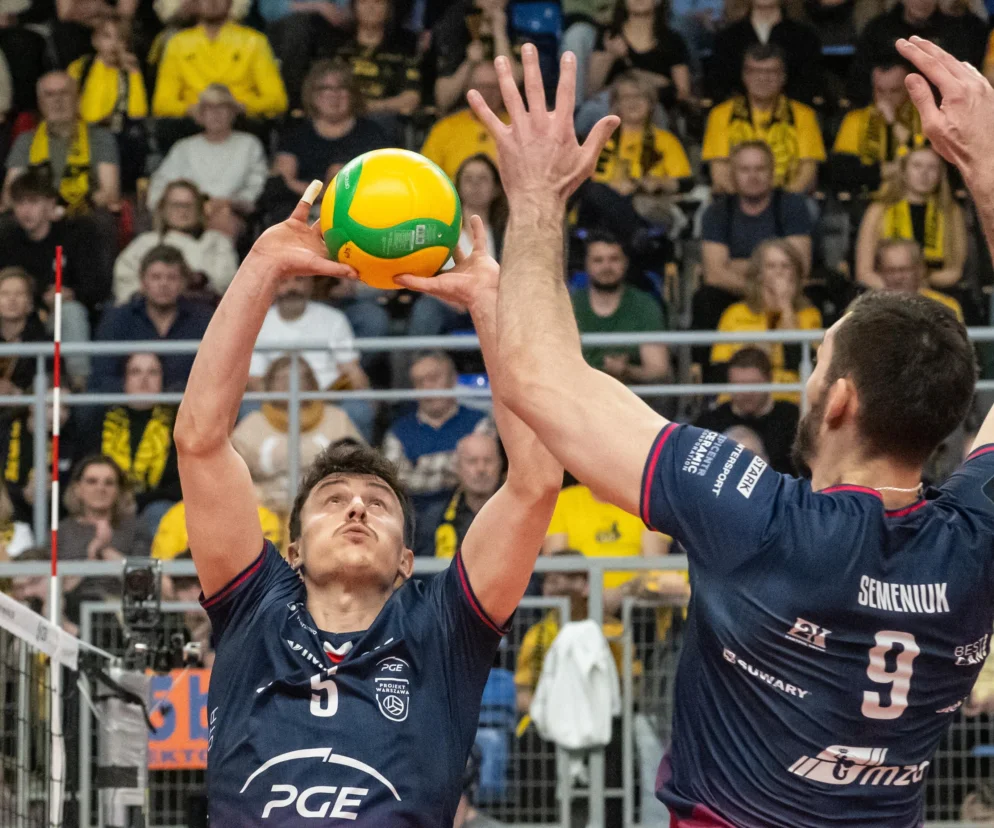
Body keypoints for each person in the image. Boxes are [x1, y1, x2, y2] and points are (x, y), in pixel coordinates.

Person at [396, 39, 994, 825]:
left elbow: (540, 380)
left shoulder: (761, 521)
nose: (807, 380)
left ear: (840, 401)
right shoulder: (975, 534)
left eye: (817, 362)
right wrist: (987, 168)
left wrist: (536, 196)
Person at [172, 176, 563, 826]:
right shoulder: (254, 608)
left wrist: (489, 302)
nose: (356, 508)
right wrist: (262, 266)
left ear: (407, 560)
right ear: (292, 550)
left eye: (378, 504)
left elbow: (535, 480)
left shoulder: (442, 628)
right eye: (332, 500)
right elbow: (199, 441)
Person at [693, 140, 813, 333]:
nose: (753, 176)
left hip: (786, 292)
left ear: (772, 172)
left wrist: (736, 265)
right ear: (733, 174)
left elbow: (799, 267)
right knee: (706, 299)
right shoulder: (717, 212)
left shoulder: (792, 206)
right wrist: (764, 285)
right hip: (736, 292)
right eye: (745, 170)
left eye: (760, 169)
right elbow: (714, 275)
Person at [232, 357, 365, 517]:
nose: (292, 382)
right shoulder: (252, 423)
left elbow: (361, 468)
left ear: (313, 382)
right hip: (265, 511)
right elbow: (232, 475)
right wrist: (256, 495)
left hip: (327, 510)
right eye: (282, 378)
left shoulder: (337, 419)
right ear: (269, 384)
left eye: (301, 376)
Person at [248, 274, 372, 439]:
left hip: (328, 399)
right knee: (247, 410)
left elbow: (352, 371)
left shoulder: (334, 319)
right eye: (284, 281)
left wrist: (318, 402)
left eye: (299, 279)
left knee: (359, 410)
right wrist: (285, 403)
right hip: (277, 400)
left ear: (311, 284)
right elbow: (255, 380)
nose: (292, 288)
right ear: (273, 286)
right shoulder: (258, 323)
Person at [269, 59, 392, 220]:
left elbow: (382, 181)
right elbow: (283, 179)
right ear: (312, 94)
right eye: (325, 88)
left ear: (353, 94)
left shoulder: (373, 134)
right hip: (300, 210)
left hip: (357, 213)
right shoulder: (295, 133)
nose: (334, 95)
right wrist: (318, 195)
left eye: (342, 88)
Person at [382, 350, 492, 529]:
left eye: (433, 378)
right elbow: (394, 482)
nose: (427, 387)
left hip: (469, 517)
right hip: (415, 523)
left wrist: (419, 465)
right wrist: (456, 465)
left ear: (453, 379)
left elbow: (483, 473)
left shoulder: (480, 422)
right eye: (420, 382)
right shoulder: (397, 432)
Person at [577, 73, 693, 243]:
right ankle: (637, 234)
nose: (633, 102)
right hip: (597, 217)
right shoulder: (598, 140)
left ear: (651, 103)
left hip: (642, 207)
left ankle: (637, 235)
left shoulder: (666, 141)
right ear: (615, 103)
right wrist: (613, 188)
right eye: (626, 97)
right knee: (595, 191)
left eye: (640, 96)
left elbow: (685, 183)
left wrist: (655, 183)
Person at [701, 43, 826, 194]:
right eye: (755, 71)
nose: (762, 78)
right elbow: (719, 173)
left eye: (771, 72)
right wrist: (747, 203)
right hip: (736, 200)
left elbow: (808, 172)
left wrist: (780, 202)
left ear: (783, 77)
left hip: (790, 200)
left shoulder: (804, 115)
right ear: (744, 76)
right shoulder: (720, 114)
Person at [91, 245, 214, 392]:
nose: (163, 284)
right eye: (156, 277)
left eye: (172, 277)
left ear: (183, 283)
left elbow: (214, 375)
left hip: (188, 403)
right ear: (143, 282)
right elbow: (101, 376)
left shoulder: (204, 320)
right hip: (127, 404)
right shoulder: (117, 319)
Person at [146, 84, 269, 227]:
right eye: (209, 108)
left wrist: (231, 204)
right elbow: (161, 184)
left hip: (231, 213)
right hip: (188, 212)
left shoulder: (249, 144)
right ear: (201, 115)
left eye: (222, 107)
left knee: (223, 220)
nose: (216, 114)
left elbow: (256, 186)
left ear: (232, 113)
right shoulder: (184, 147)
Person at [709, 238, 822, 394]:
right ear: (759, 274)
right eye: (771, 266)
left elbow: (805, 367)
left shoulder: (808, 314)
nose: (779, 272)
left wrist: (785, 306)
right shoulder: (735, 313)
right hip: (742, 395)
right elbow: (719, 370)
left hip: (789, 396)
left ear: (795, 274)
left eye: (785, 266)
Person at [2, 70, 121, 216]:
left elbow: (110, 194)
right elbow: (9, 197)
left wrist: (66, 211)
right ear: (40, 103)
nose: (57, 101)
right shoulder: (26, 141)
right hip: (38, 219)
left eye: (64, 93)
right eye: (49, 95)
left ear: (77, 99)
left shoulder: (100, 137)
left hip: (85, 216)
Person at [151, 0, 289, 125]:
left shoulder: (254, 41)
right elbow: (161, 104)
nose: (213, 2)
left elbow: (277, 100)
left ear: (230, 3)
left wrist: (240, 107)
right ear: (195, 3)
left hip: (243, 123)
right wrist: (193, 110)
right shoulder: (178, 43)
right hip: (191, 124)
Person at [855, 142, 966, 294]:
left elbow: (955, 270)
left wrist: (922, 287)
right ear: (903, 170)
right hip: (885, 292)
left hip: (936, 292)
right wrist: (900, 292)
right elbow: (864, 272)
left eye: (932, 167)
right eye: (917, 166)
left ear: (941, 174)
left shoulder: (951, 212)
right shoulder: (879, 209)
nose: (924, 174)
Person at [88, 353, 182, 529]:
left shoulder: (178, 421)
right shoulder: (101, 420)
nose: (144, 379)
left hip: (156, 507)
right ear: (124, 380)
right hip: (107, 502)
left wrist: (139, 501)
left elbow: (180, 484)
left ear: (162, 380)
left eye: (152, 372)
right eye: (136, 372)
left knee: (158, 512)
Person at [114, 179, 240, 304]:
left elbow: (228, 284)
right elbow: (125, 283)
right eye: (176, 205)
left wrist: (201, 280)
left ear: (199, 208)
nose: (182, 211)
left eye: (188, 205)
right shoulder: (145, 243)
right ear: (163, 208)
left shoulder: (217, 242)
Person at [572, 230, 671, 385]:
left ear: (626, 262)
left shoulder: (644, 304)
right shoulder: (570, 304)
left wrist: (627, 370)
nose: (606, 267)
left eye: (614, 259)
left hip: (632, 394)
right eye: (598, 260)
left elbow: (658, 369)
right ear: (586, 264)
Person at [847, 0, 985, 106]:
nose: (921, 1)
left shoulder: (957, 32)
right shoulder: (878, 30)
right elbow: (858, 83)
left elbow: (966, 82)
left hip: (941, 111)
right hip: (884, 114)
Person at [67, 14, 149, 192]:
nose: (114, 44)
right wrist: (100, 65)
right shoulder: (80, 67)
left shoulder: (129, 71)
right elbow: (89, 114)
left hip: (121, 140)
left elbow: (137, 112)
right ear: (95, 41)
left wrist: (133, 73)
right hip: (85, 137)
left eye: (120, 39)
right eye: (107, 37)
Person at [694, 346, 800, 474]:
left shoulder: (792, 419)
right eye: (739, 385)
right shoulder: (709, 424)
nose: (746, 392)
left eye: (753, 384)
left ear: (769, 379)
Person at [829, 62, 923, 199]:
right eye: (880, 91)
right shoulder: (855, 119)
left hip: (915, 196)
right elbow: (844, 172)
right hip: (869, 196)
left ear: (908, 91)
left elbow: (924, 162)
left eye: (894, 91)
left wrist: (892, 123)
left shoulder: (924, 118)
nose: (886, 98)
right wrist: (884, 171)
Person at [707, 0, 822, 106]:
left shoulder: (805, 37)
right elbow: (720, 86)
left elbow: (809, 83)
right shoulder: (726, 38)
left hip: (795, 115)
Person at [586, 0, 692, 114]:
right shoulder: (610, 35)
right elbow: (592, 89)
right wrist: (611, 56)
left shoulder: (672, 40)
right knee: (592, 109)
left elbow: (683, 93)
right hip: (612, 104)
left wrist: (642, 80)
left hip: (655, 108)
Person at [334, 0, 422, 128]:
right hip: (338, 118)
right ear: (353, 7)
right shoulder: (336, 48)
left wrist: (371, 107)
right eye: (364, 2)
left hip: (384, 122)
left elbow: (412, 98)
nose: (371, 7)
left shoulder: (403, 51)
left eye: (378, 2)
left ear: (388, 9)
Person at [432, 0, 523, 115]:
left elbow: (514, 83)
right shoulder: (454, 27)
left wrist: (499, 33)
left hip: (507, 115)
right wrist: (469, 63)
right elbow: (442, 100)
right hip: (461, 115)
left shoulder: (517, 26)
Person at [421, 61, 507, 180]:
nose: (488, 93)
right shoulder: (445, 128)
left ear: (503, 90)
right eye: (481, 87)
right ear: (468, 89)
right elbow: (426, 174)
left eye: (493, 87)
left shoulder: (518, 126)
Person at [421, 431, 502, 557]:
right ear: (457, 467)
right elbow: (424, 566)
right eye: (472, 461)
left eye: (488, 461)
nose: (481, 469)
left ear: (500, 466)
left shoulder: (520, 515)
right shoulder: (433, 518)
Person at [867, 237, 964, 321]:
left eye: (904, 270)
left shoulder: (945, 307)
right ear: (880, 272)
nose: (897, 277)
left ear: (920, 270)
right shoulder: (868, 309)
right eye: (890, 271)